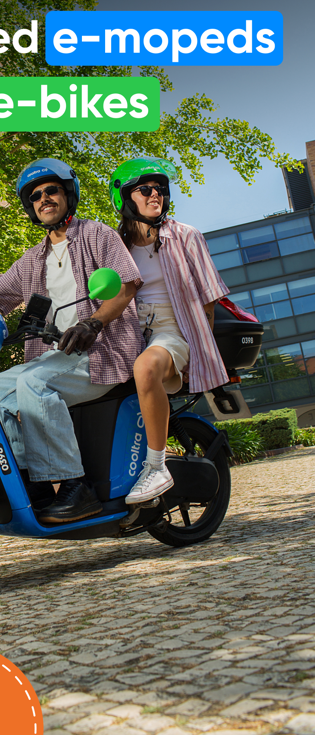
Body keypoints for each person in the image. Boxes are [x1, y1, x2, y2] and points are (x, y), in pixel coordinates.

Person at [0, 158, 144, 525]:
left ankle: (77, 488)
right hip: (56, 356)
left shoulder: (98, 235)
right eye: (35, 196)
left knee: (33, 383)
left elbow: (126, 286)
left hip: (103, 351)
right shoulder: (33, 260)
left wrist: (93, 323)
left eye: (52, 190)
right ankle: (33, 488)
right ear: (30, 207)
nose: (44, 199)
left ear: (68, 195)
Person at [109, 156, 229, 506]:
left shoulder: (186, 236)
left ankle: (157, 467)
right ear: (125, 198)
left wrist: (199, 355)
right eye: (145, 189)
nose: (155, 194)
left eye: (160, 188)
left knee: (146, 367)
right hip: (130, 334)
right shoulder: (115, 246)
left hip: (172, 330)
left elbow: (208, 302)